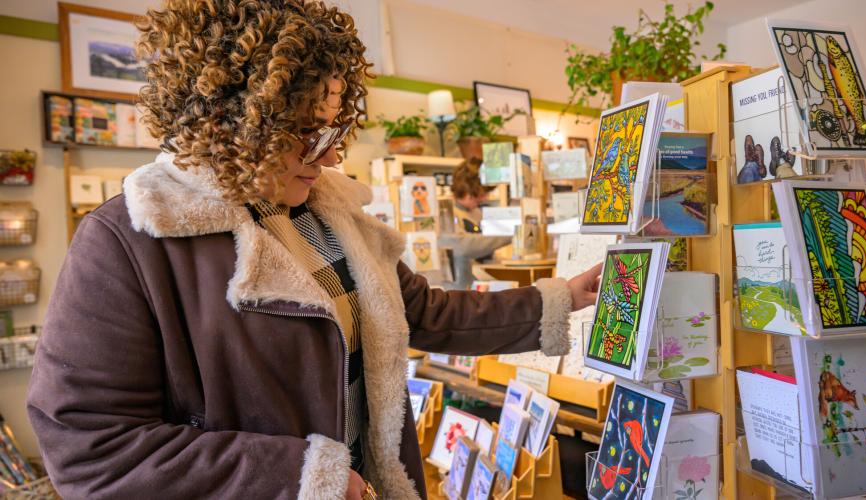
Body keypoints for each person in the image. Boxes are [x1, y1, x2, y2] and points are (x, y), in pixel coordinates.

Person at [26, 2, 603, 499]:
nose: (330, 157)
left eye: (334, 131)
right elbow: (89, 446)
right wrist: (298, 477)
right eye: (310, 133)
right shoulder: (129, 240)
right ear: (236, 121)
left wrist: (561, 298)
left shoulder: (328, 213)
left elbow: (424, 313)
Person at [440, 159, 510, 289]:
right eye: (482, 193)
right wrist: (511, 235)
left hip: (475, 286)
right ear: (468, 189)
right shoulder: (445, 212)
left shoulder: (476, 212)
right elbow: (464, 246)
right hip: (456, 291)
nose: (485, 198)